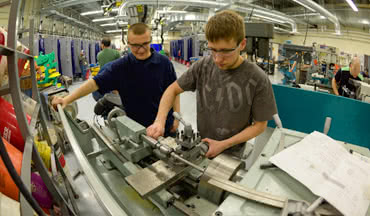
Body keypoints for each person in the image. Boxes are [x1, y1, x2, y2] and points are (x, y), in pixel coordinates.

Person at [147, 10, 277, 158]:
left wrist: (223, 144)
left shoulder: (258, 78)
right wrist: (159, 121)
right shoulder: (204, 65)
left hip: (232, 153)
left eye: (225, 51)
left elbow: (260, 125)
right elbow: (172, 89)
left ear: (242, 44)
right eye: (213, 50)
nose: (217, 59)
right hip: (202, 145)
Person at [53, 23, 179, 136]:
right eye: (135, 45)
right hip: (136, 130)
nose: (140, 49)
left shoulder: (164, 63)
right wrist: (66, 100)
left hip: (164, 127)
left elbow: (174, 91)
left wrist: (177, 118)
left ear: (150, 40)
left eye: (145, 44)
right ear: (128, 43)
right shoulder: (121, 67)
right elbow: (94, 83)